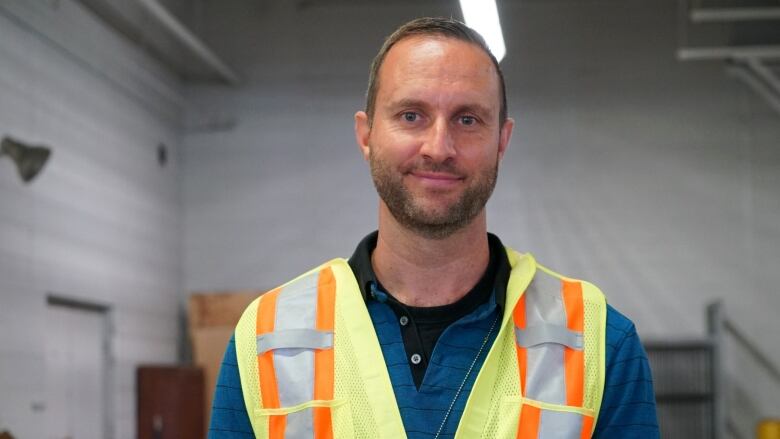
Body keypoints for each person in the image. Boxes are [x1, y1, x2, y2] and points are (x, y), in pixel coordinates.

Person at [209, 17, 658, 439]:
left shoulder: (599, 343)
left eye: (467, 119)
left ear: (502, 140)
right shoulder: (268, 338)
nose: (439, 147)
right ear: (366, 136)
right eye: (411, 115)